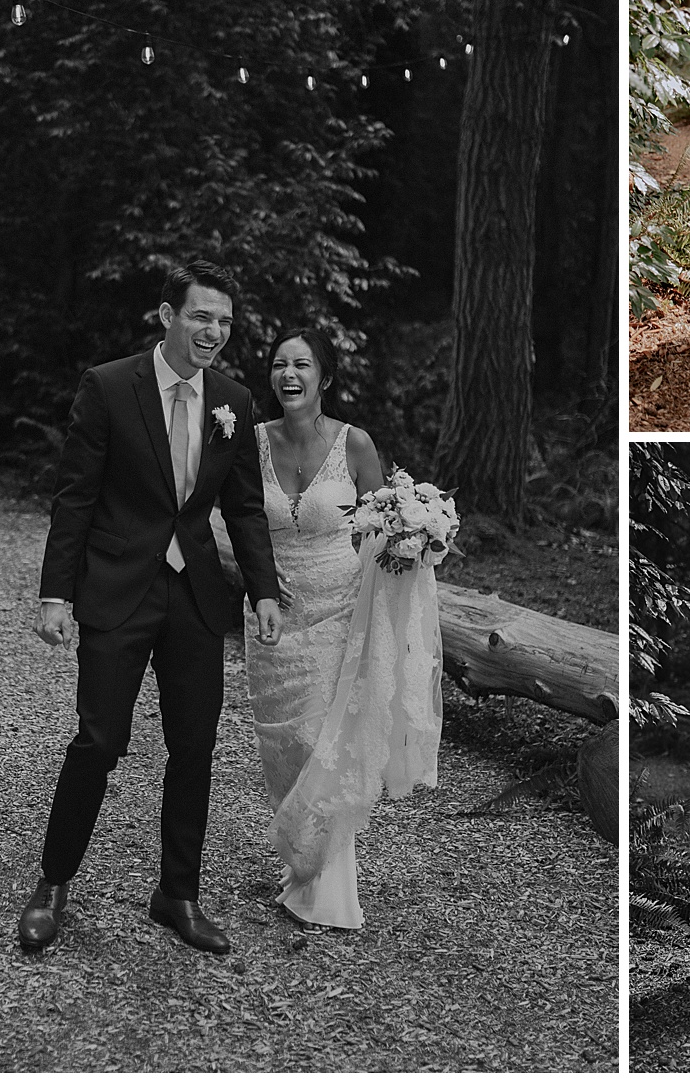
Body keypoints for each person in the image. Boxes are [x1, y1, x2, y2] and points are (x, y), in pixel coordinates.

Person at [19, 260, 283, 955]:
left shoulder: (233, 400)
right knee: (99, 740)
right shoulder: (109, 387)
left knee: (194, 747)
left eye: (225, 322)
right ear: (167, 316)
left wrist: (262, 590)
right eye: (201, 316)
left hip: (194, 596)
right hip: (118, 586)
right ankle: (52, 884)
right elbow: (75, 496)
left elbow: (245, 507)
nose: (214, 332)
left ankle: (178, 894)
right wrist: (56, 593)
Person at [244, 327, 443, 929]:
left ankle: (327, 884)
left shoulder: (355, 444)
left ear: (324, 378)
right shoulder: (250, 442)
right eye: (280, 365)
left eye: (302, 365)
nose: (289, 375)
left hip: (339, 611)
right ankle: (302, 859)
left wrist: (417, 535)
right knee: (282, 744)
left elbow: (380, 525)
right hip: (270, 612)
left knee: (320, 737)